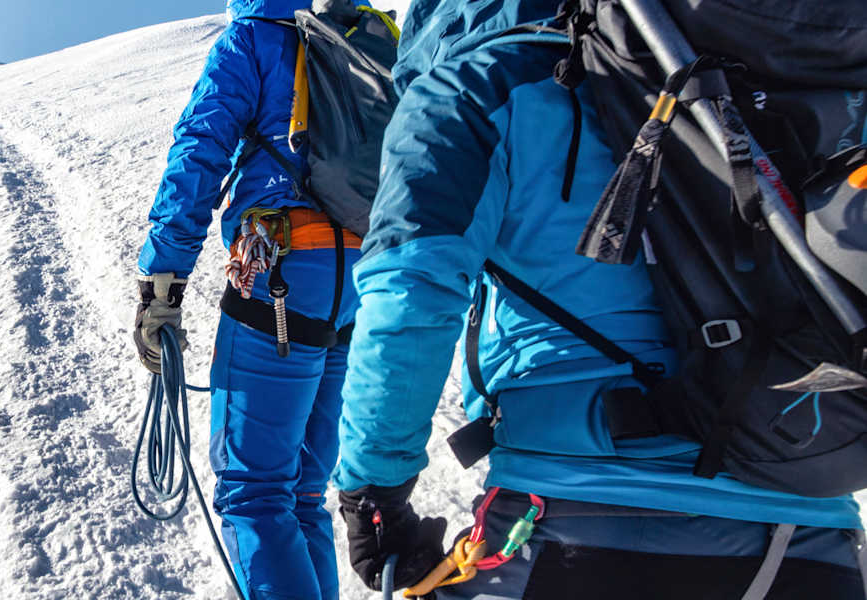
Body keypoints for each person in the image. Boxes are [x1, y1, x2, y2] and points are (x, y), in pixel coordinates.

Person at [329, 0, 867, 598]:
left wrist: (373, 494)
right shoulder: (766, 66)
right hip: (808, 529)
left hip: (571, 523)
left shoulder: (478, 82)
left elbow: (409, 295)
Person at [131, 1, 371, 598]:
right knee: (302, 495)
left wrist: (163, 283)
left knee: (255, 494)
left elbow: (200, 150)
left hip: (282, 271)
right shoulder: (360, 29)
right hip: (360, 279)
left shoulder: (253, 36)